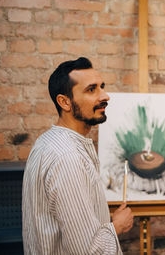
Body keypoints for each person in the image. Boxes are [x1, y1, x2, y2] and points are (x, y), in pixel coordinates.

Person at [22, 57, 133, 255]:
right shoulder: (68, 157)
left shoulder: (47, 141)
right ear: (65, 102)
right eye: (91, 89)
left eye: (102, 87)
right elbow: (87, 250)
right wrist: (117, 226)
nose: (105, 96)